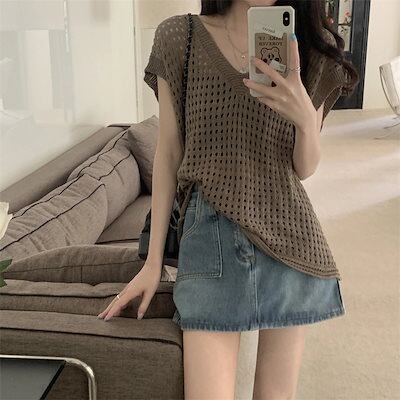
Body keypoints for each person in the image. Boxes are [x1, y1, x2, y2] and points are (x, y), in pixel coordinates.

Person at [98, 0, 359, 398]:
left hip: (290, 243)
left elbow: (303, 168)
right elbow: (169, 152)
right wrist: (153, 263)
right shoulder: (179, 37)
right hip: (209, 243)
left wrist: (306, 120)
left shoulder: (310, 46)